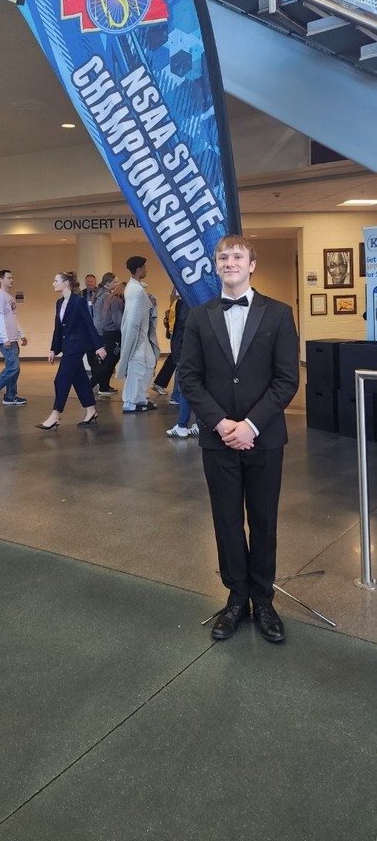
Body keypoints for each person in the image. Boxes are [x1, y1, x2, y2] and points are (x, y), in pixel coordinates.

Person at [179, 235, 299, 645]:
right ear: (216, 266)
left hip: (264, 440)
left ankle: (263, 601)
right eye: (222, 257)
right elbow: (189, 379)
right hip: (218, 441)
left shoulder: (280, 314)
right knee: (227, 520)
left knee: (263, 520)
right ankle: (236, 599)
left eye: (237, 256)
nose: (229, 262)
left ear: (252, 265)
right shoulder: (198, 316)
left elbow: (287, 380)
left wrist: (250, 425)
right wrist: (221, 424)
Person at [36, 271, 106, 430]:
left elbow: (89, 323)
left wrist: (98, 345)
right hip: (68, 346)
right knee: (79, 379)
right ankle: (91, 410)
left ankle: (55, 415)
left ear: (66, 283)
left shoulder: (78, 301)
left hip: (77, 346)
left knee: (60, 380)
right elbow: (58, 328)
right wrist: (53, 349)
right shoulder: (59, 303)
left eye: (56, 281)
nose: (53, 284)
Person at [115, 256, 159, 413]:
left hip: (142, 334)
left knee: (149, 363)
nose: (146, 270)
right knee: (137, 366)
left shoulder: (137, 288)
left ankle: (140, 398)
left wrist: (148, 303)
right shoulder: (135, 290)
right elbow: (133, 317)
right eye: (144, 267)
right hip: (136, 334)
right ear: (139, 269)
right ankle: (129, 402)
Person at [0, 269, 28, 407]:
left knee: (13, 367)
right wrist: (5, 338)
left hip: (13, 338)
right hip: (4, 339)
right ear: (0, 279)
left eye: (12, 277)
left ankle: (10, 396)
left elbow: (13, 318)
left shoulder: (9, 297)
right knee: (13, 366)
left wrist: (21, 334)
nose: (11, 280)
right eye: (8, 278)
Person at [166, 293, 198, 438]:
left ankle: (182, 425)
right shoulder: (199, 301)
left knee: (184, 387)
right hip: (197, 351)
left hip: (187, 352)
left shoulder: (184, 305)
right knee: (197, 387)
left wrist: (178, 355)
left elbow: (181, 332)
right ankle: (198, 423)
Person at [88, 272, 119, 395]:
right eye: (114, 282)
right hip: (103, 331)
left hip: (98, 329)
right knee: (108, 361)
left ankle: (104, 385)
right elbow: (106, 315)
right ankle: (98, 385)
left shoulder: (98, 294)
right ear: (108, 283)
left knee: (106, 361)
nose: (116, 284)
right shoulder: (107, 296)